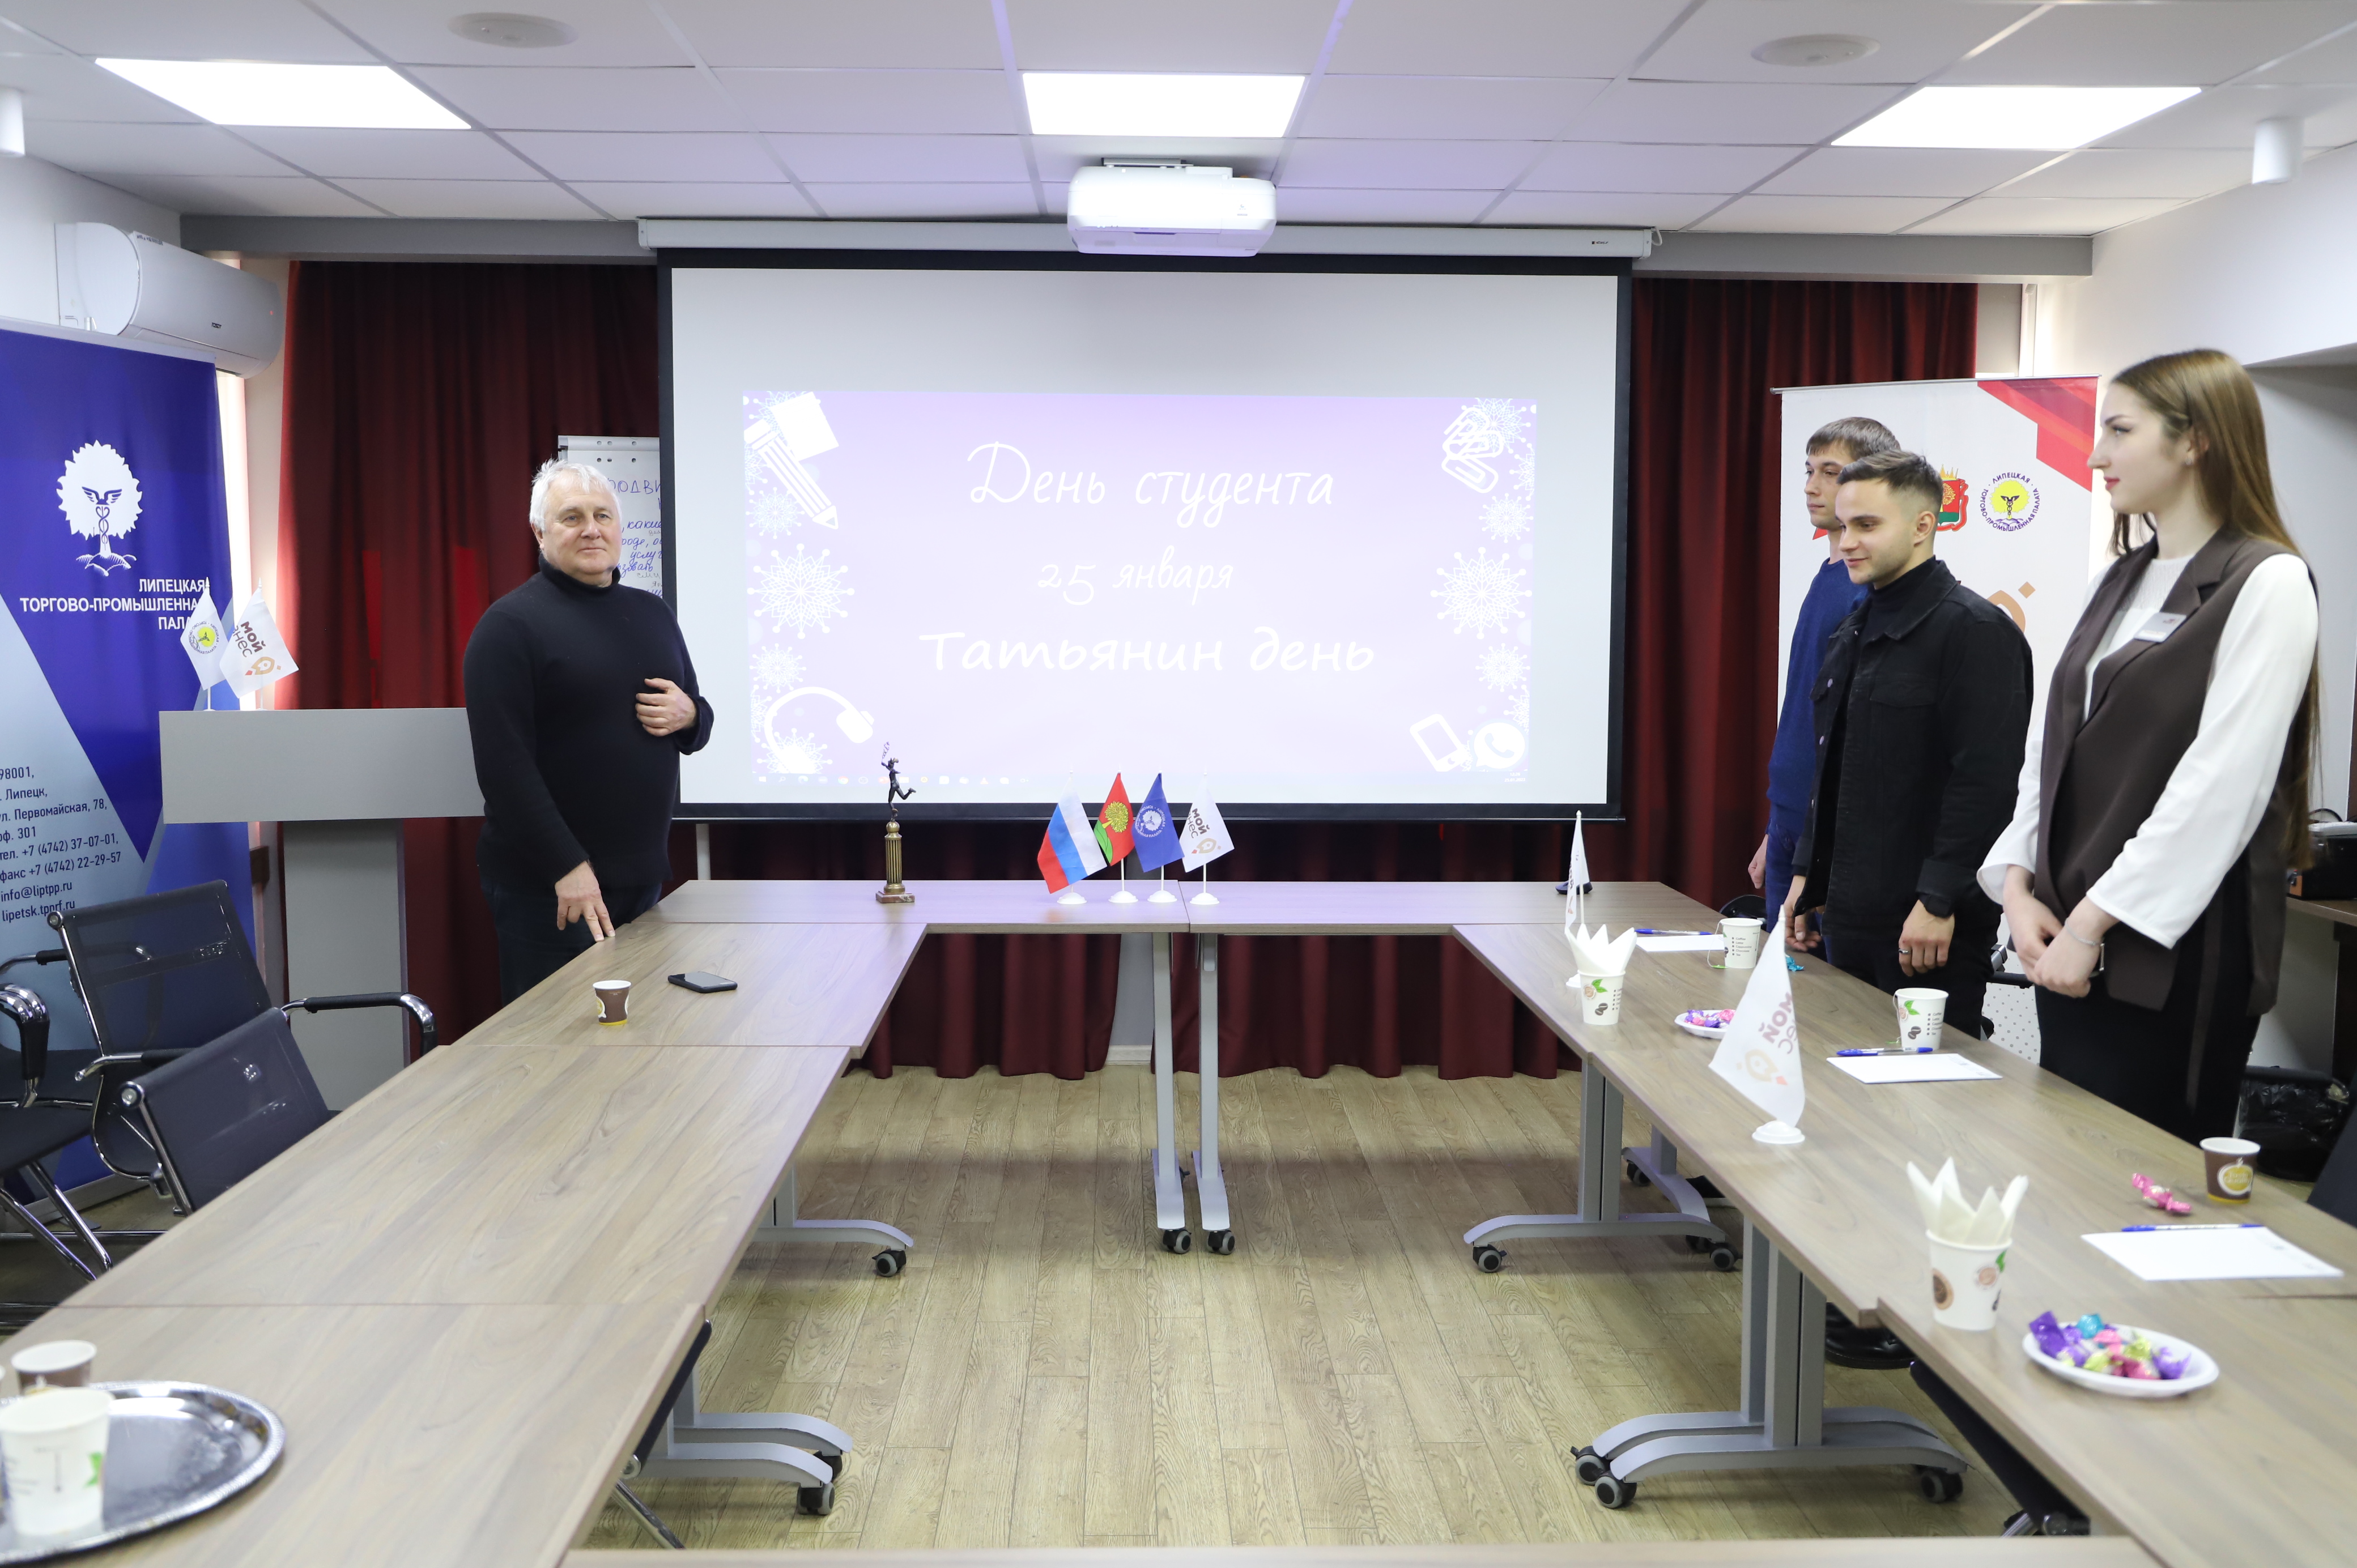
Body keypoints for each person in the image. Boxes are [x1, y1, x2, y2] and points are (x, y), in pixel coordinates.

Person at [1980, 349, 2318, 1142]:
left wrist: (2090, 925)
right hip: (2064, 936)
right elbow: (2050, 750)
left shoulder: (2267, 581)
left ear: (2194, 439)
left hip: (2169, 952)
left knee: (2143, 1181)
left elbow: (2220, 788)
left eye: (2119, 430)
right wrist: (2018, 890)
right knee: (2069, 1159)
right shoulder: (2120, 579)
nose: (2095, 455)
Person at [1783, 450, 2032, 1042]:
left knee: (1926, 1092)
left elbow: (1986, 784)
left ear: (1923, 525)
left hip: (1926, 927)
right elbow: (1831, 770)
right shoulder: (1851, 630)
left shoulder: (1976, 631)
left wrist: (1939, 900)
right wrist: (1806, 877)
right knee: (1843, 1078)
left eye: (1867, 525)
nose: (1847, 541)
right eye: (1844, 525)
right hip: (1847, 913)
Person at [465, 461, 714, 1003]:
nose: (591, 530)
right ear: (540, 532)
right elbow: (504, 769)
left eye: (603, 516)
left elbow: (697, 724)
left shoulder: (653, 613)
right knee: (554, 1039)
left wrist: (691, 715)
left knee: (636, 1033)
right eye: (571, 517)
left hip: (640, 879)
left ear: (620, 528)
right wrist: (567, 867)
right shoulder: (509, 627)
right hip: (551, 886)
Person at [1751, 417, 1895, 915]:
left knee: (1821, 967)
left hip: (1829, 830)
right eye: (1809, 471)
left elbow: (1854, 733)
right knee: (1781, 964)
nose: (1811, 486)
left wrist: (1817, 848)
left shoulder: (1867, 592)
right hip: (1790, 816)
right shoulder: (1828, 574)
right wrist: (1777, 827)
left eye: (1830, 473)